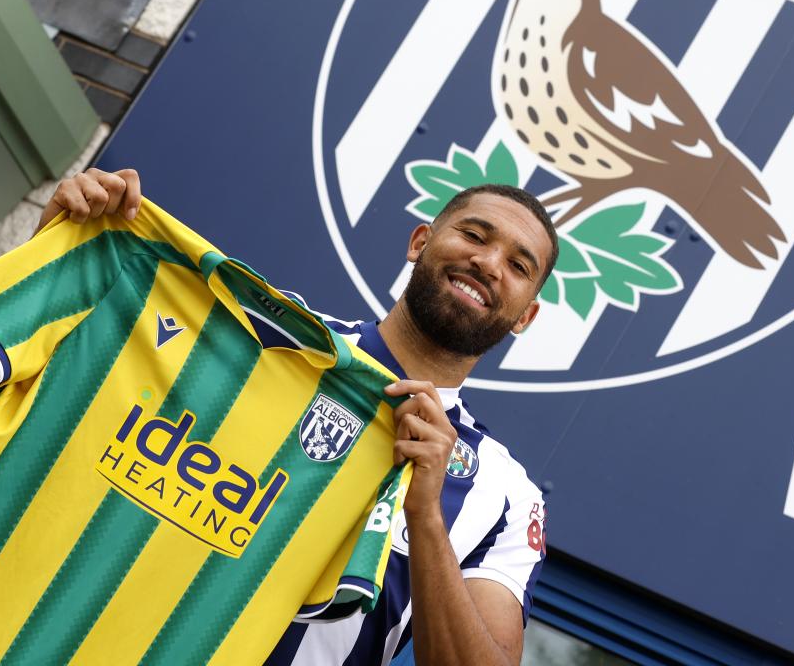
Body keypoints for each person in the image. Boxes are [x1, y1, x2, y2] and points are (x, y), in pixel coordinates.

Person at [36, 167, 557, 666]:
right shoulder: (263, 332)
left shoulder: (504, 495)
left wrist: (425, 518)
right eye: (474, 234)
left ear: (526, 317)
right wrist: (58, 246)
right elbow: (71, 387)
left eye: (518, 266)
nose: (489, 263)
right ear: (419, 242)